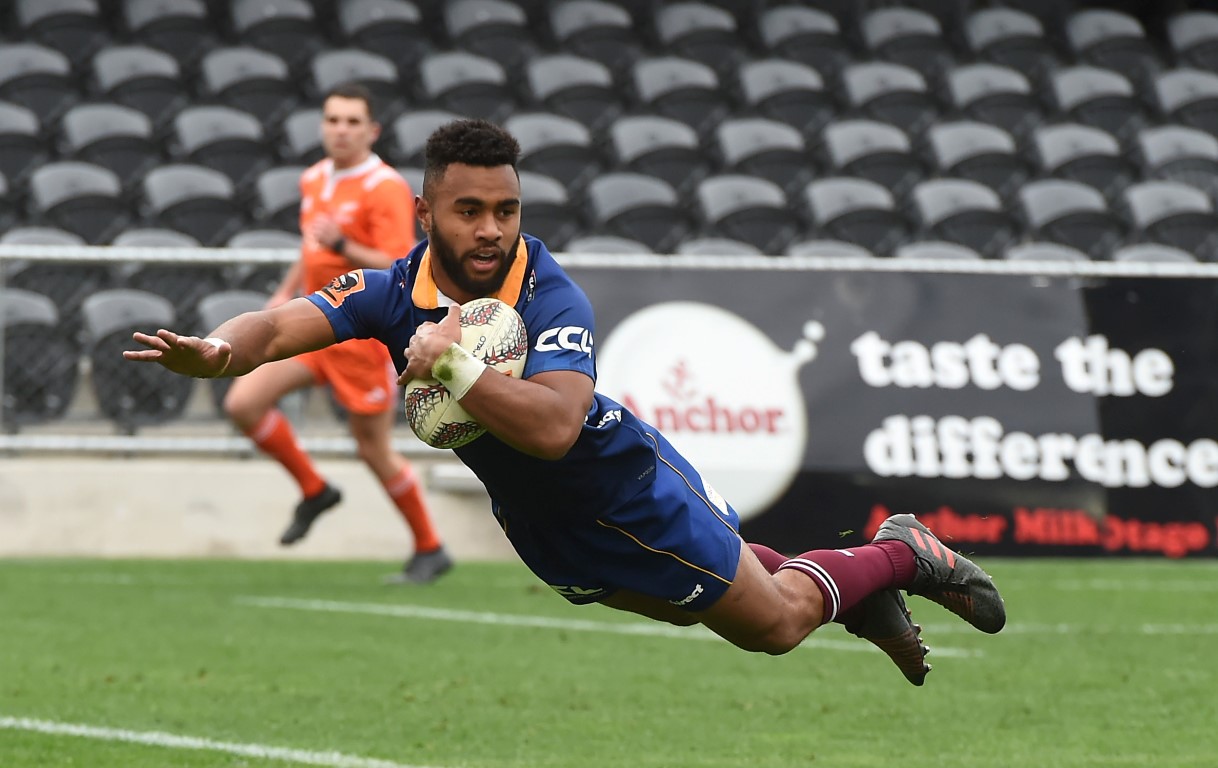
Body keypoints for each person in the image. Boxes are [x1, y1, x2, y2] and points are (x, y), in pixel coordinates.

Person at [126, 119, 1005, 683]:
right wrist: (219, 353)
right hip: (544, 523)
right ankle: (853, 591)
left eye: (505, 209)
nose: (491, 229)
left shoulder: (550, 294)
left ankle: (898, 555)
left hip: (618, 485)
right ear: (425, 208)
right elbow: (279, 329)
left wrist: (453, 370)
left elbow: (552, 428)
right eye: (468, 209)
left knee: (770, 628)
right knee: (708, 600)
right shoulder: (392, 289)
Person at [223, 83, 451, 584]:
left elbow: (399, 266)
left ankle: (430, 548)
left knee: (372, 448)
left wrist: (344, 243)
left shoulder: (384, 186)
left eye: (352, 121)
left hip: (359, 336)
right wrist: (284, 294)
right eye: (333, 120)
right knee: (243, 403)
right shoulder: (314, 179)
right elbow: (310, 249)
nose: (341, 130)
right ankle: (314, 489)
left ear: (372, 131)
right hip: (312, 325)